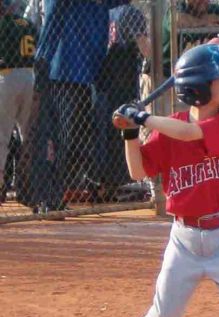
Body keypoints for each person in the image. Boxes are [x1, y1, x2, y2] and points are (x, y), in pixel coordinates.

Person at [113, 44, 219, 317]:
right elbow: (138, 170)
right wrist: (130, 133)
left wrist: (142, 117)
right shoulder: (168, 127)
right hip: (183, 242)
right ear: (199, 89)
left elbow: (189, 134)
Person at [26, 0, 130, 212]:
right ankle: (47, 197)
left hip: (90, 70)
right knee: (60, 138)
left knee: (77, 139)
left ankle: (60, 192)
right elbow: (53, 14)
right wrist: (44, 56)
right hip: (64, 69)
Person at [92, 3, 151, 201]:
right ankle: (121, 184)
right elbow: (144, 46)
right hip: (123, 82)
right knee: (123, 132)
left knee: (106, 134)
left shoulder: (105, 11)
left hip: (102, 80)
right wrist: (160, 60)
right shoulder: (130, 12)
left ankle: (109, 183)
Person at [0, 0, 36, 206]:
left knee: (2, 135)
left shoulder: (2, 24)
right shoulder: (28, 24)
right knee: (28, 136)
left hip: (6, 76)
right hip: (30, 77)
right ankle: (30, 187)